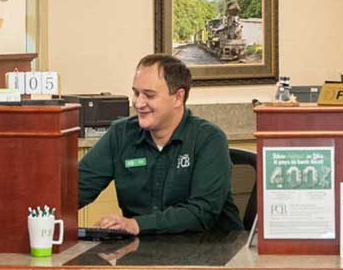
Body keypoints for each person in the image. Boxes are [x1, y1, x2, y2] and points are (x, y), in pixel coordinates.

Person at [78, 54, 242, 234]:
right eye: (136, 93)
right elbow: (75, 189)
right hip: (142, 253)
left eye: (149, 95)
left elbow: (202, 212)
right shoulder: (120, 135)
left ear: (178, 97)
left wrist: (136, 224)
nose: (138, 103)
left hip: (210, 252)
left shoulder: (209, 139)